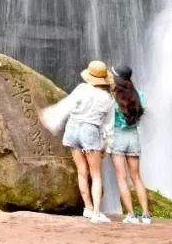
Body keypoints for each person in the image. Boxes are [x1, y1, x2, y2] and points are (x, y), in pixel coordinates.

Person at [39, 60, 115, 223]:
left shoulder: (82, 89)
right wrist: (106, 148)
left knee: (82, 171)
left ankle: (87, 208)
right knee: (95, 175)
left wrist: (51, 117)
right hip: (90, 131)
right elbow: (108, 126)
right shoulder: (108, 99)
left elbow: (66, 106)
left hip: (73, 129)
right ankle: (96, 213)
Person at [109, 64, 151, 225]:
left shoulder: (113, 98)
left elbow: (108, 120)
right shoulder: (140, 95)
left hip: (118, 137)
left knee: (122, 178)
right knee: (137, 178)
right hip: (134, 137)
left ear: (117, 78)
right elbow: (143, 113)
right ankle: (146, 215)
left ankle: (131, 215)